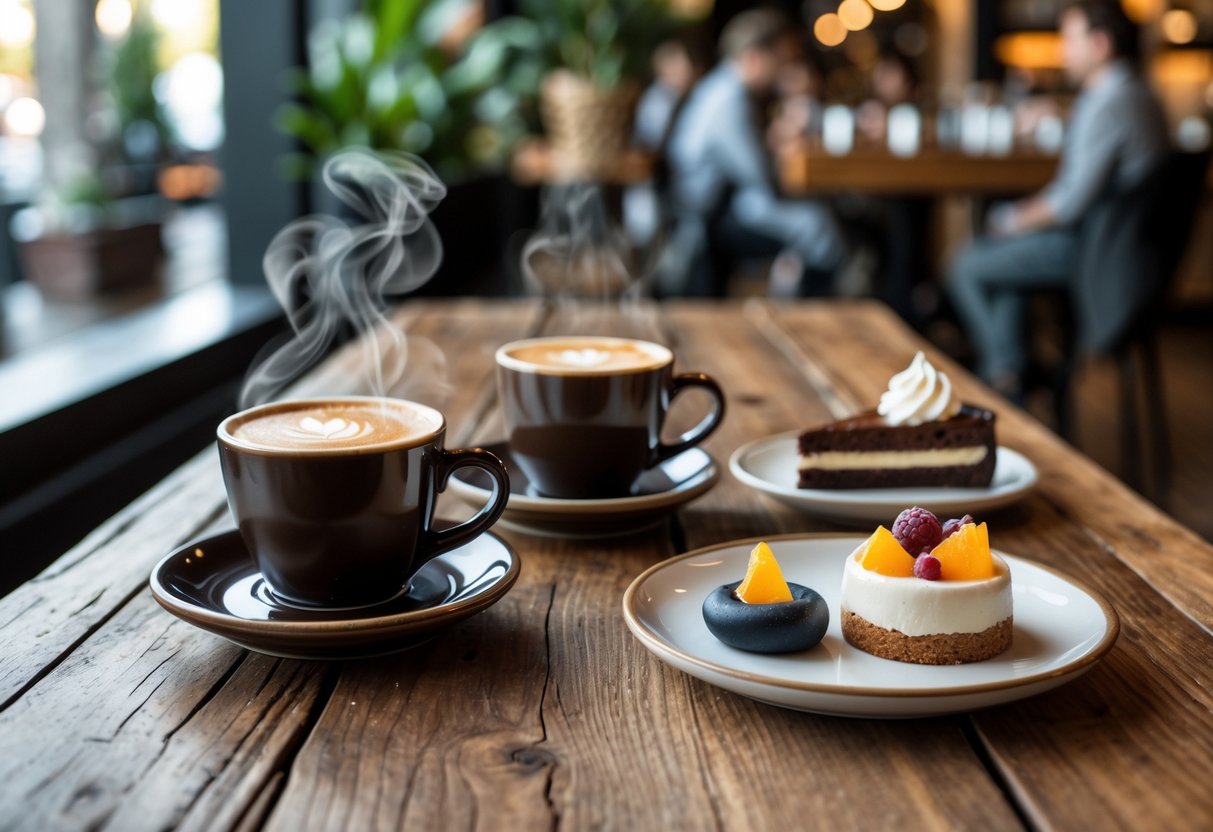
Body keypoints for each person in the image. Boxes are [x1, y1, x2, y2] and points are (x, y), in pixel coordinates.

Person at [947, 0, 1169, 398]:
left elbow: (1068, 204)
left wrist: (1007, 219)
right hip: (1127, 248)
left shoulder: (1106, 104)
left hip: (1097, 254)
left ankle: (1004, 373)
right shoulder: (1136, 94)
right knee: (1008, 276)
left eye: (1069, 39)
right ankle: (1012, 375)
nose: (1062, 50)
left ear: (1100, 44)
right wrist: (1064, 117)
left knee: (965, 264)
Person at [665, 8, 847, 295]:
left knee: (816, 220)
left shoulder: (722, 90)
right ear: (754, 57)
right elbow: (759, 176)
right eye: (781, 60)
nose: (784, 71)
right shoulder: (727, 101)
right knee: (817, 226)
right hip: (706, 221)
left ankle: (798, 302)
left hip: (716, 209)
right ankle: (811, 316)